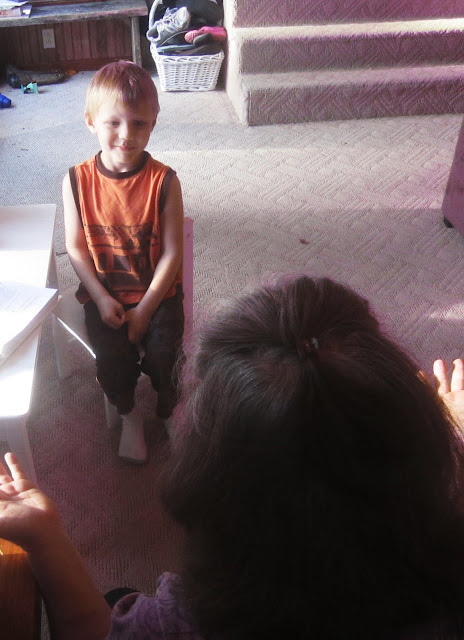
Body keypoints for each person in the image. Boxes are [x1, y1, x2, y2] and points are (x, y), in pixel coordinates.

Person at [1, 275, 464, 639]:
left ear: (213, 486)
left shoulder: (181, 622)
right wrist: (455, 434)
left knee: (116, 597)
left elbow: (94, 633)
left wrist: (45, 538)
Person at [62, 60, 184, 464]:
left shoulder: (165, 180)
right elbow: (76, 248)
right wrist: (99, 298)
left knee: (167, 359)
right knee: (111, 364)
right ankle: (129, 416)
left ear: (154, 122)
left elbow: (173, 253)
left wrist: (145, 310)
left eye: (139, 123)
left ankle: (168, 409)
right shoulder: (75, 180)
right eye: (113, 122)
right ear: (90, 122)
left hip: (157, 294)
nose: (127, 135)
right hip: (105, 294)